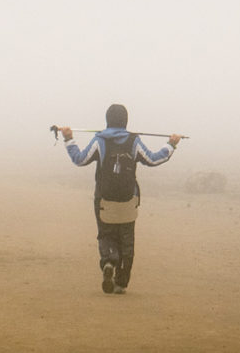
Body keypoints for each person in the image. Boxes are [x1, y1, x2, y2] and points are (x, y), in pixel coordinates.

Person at [57, 104, 182, 294]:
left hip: (104, 199)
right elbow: (153, 159)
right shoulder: (134, 140)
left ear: (107, 120)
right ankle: (121, 283)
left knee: (106, 234)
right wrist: (171, 144)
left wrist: (68, 138)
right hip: (128, 199)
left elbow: (80, 159)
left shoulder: (100, 140)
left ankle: (108, 261)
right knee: (127, 240)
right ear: (126, 121)